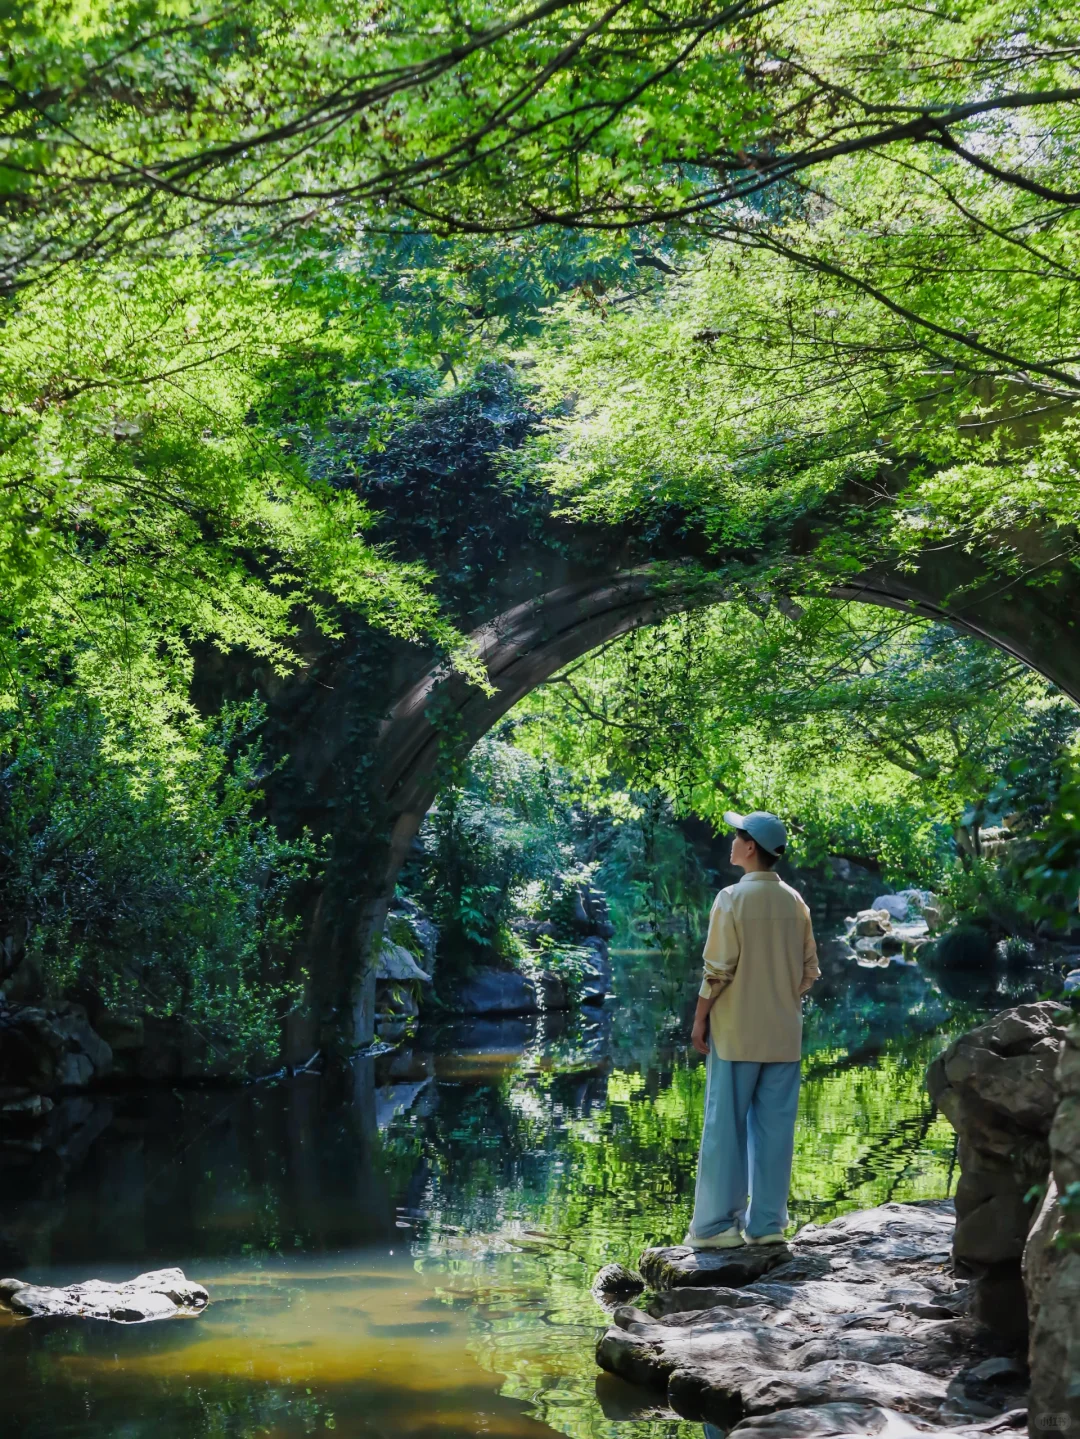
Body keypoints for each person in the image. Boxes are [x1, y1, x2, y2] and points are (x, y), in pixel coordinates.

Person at [685, 809, 819, 1249]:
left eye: (736, 835)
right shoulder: (796, 902)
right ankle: (767, 1227)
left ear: (750, 848)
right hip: (783, 1035)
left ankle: (715, 1228)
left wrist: (700, 1018)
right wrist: (780, 998)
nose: (731, 840)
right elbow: (809, 973)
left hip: (736, 1033)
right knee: (775, 1132)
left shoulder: (730, 899)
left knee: (726, 1128)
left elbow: (718, 969)